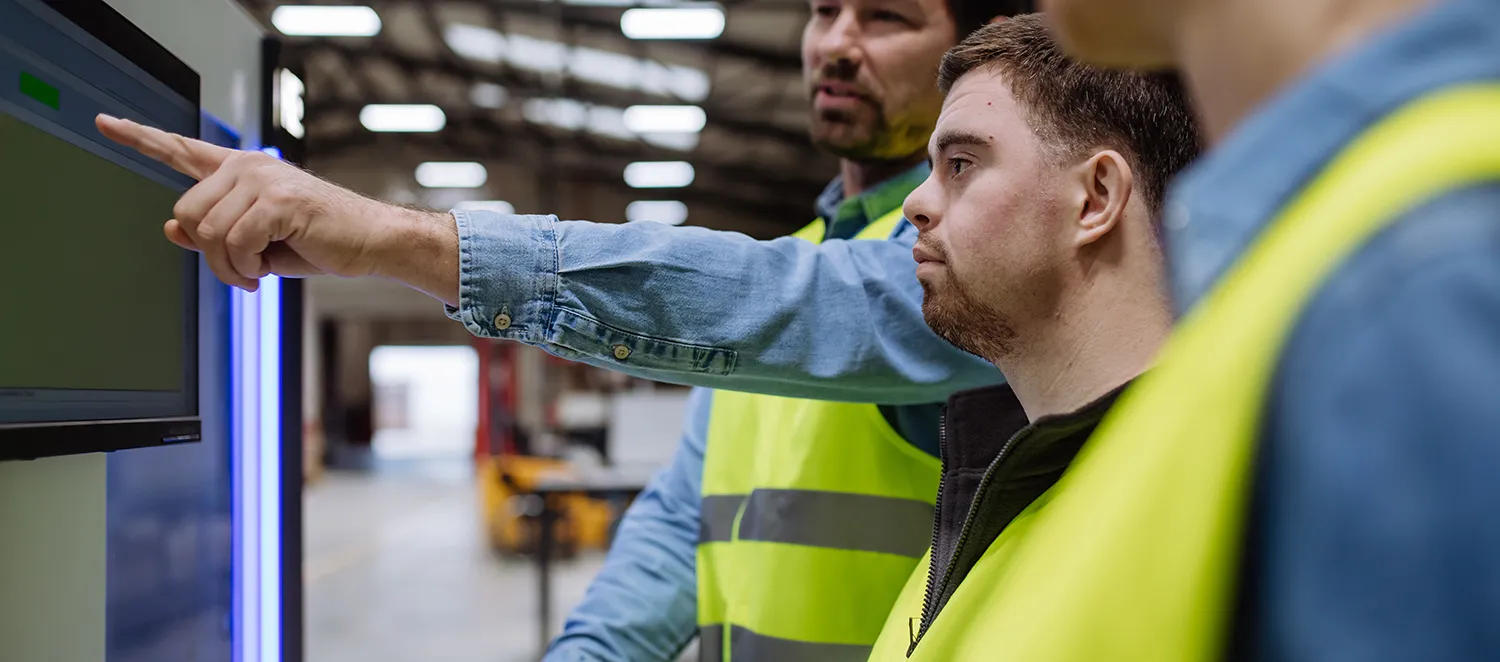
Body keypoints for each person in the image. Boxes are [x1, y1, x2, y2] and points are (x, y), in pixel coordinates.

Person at [93, 3, 1025, 662]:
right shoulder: (813, 243)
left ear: (972, 50)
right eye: (825, 12)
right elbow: (677, 526)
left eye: (888, 17)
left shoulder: (986, 269)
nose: (838, 42)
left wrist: (398, 240)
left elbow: (792, 301)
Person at [874, 0, 1500, 660]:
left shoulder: (1415, 275)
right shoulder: (1271, 331)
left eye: (963, 164)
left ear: (1096, 197)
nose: (917, 203)